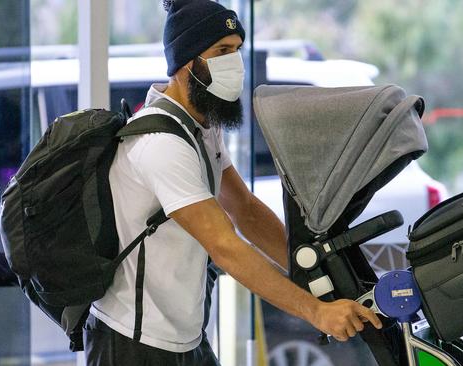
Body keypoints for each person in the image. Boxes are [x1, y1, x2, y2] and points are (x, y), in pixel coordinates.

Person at [83, 0, 382, 365]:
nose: (235, 62)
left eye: (238, 49)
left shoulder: (202, 128)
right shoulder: (159, 144)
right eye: (222, 51)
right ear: (184, 65)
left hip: (185, 335)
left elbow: (247, 211)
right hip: (132, 340)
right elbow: (225, 246)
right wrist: (315, 312)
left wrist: (314, 274)